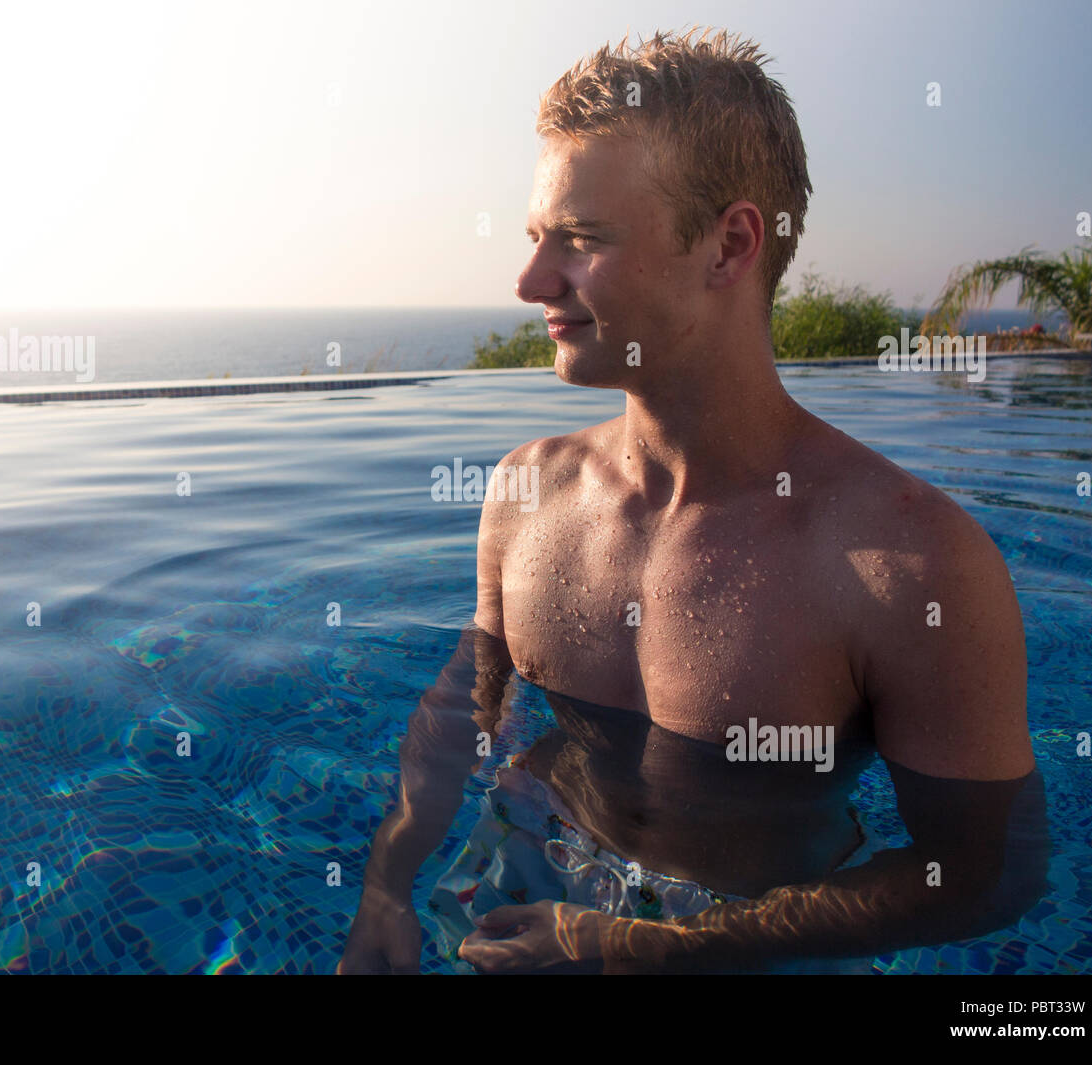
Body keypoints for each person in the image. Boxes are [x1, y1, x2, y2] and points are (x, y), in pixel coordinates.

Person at [338, 26, 1048, 975]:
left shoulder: (910, 565)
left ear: (730, 245)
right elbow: (470, 700)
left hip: (754, 938)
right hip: (529, 865)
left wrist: (655, 950)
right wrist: (388, 881)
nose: (529, 282)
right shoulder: (525, 492)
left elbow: (981, 875)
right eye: (536, 238)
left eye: (581, 241)